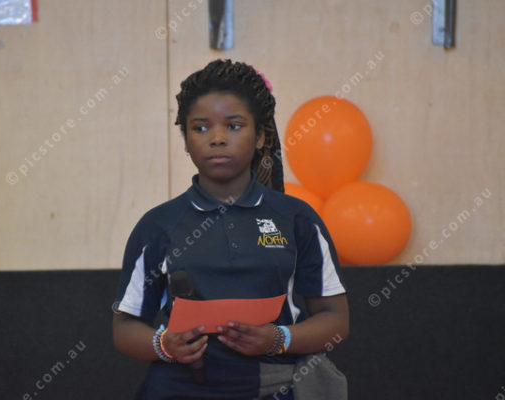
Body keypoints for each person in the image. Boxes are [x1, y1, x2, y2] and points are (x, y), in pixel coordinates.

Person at [113, 59, 349, 400]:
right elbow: (125, 327)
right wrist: (164, 344)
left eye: (234, 126)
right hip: (179, 389)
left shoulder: (297, 218)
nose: (218, 139)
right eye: (201, 128)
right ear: (185, 140)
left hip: (272, 387)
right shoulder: (158, 225)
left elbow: (335, 320)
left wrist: (278, 339)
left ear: (260, 136)